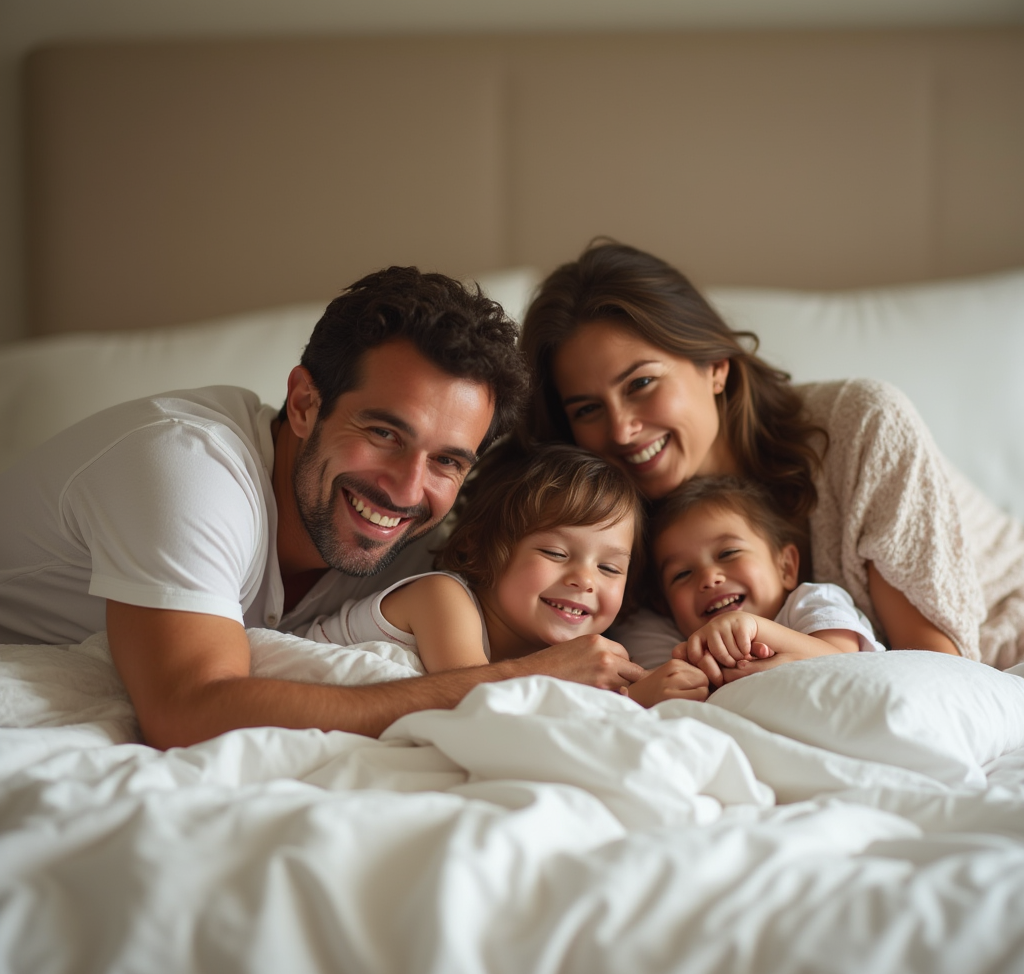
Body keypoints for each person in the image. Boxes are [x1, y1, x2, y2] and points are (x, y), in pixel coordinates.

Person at [0, 266, 645, 749]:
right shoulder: (186, 465)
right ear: (305, 404)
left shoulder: (416, 540)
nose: (405, 488)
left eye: (447, 460)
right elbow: (187, 712)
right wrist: (510, 686)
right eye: (385, 433)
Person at [520, 241, 1024, 673]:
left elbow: (935, 669)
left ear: (715, 367)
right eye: (587, 409)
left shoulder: (862, 426)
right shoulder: (611, 523)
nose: (622, 430)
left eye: (642, 383)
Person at [305, 445, 694, 685]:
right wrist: (634, 699)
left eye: (609, 569)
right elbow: (474, 698)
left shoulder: (551, 653)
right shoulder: (441, 597)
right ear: (479, 545)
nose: (585, 580)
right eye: (556, 554)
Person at [625, 476, 885, 705]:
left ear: (786, 567)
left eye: (728, 553)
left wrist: (754, 626)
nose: (709, 577)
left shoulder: (812, 600)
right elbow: (653, 690)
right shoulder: (679, 646)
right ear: (665, 605)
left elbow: (846, 660)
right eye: (682, 574)